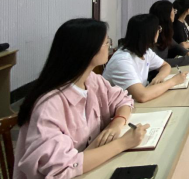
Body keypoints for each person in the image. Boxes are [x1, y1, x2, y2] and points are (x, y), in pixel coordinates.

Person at [14, 19, 148, 179]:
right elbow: (62, 168)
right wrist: (123, 143)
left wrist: (117, 123)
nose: (110, 46)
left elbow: (123, 100)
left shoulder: (92, 80)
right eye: (106, 42)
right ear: (88, 50)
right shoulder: (50, 105)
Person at [103, 14, 189, 103]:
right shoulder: (122, 60)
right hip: (118, 108)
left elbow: (165, 65)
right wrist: (173, 81)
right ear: (150, 33)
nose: (159, 31)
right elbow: (142, 96)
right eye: (158, 28)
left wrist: (159, 77)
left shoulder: (146, 51)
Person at [149, 0, 189, 68]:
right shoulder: (154, 35)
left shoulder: (165, 31)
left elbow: (175, 46)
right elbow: (159, 62)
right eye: (173, 11)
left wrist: (186, 52)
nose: (175, 13)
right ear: (167, 15)